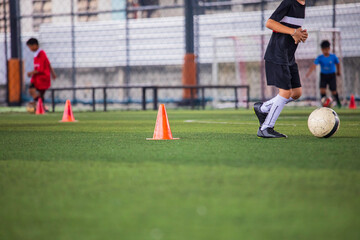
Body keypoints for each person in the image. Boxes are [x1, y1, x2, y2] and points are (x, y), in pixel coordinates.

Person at [253, 0, 308, 138]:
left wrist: (300, 34)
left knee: (296, 93)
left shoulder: (302, 5)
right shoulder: (289, 2)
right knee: (285, 92)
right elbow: (270, 23)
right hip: (277, 54)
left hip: (289, 56)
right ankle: (266, 128)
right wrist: (293, 31)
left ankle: (263, 108)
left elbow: (290, 28)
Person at [305, 40, 342, 107]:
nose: (325, 51)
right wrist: (308, 73)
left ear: (329, 49)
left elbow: (338, 63)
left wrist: (339, 71)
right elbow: (314, 65)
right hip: (323, 75)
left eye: (327, 49)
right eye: (324, 49)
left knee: (333, 91)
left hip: (332, 75)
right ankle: (324, 104)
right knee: (322, 90)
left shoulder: (333, 57)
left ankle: (338, 103)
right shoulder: (320, 57)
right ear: (322, 50)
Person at [26, 38, 56, 110]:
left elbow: (40, 69)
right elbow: (48, 63)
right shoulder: (37, 54)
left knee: (39, 93)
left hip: (42, 77)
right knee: (32, 90)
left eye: (30, 47)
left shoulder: (41, 54)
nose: (30, 49)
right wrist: (53, 73)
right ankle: (40, 104)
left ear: (35, 45)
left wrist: (31, 72)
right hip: (37, 77)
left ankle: (41, 106)